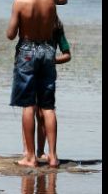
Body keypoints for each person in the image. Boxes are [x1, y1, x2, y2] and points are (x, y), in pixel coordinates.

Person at [6, 0, 68, 168]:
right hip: (48, 51)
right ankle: (53, 156)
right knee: (48, 105)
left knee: (28, 104)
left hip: (27, 52)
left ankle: (30, 156)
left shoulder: (19, 2)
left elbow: (11, 34)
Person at [33, 16, 71, 162]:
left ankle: (38, 152)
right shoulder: (55, 26)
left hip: (36, 71)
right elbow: (67, 55)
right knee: (44, 111)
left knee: (37, 112)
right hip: (47, 73)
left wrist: (51, 60)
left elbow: (67, 55)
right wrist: (52, 60)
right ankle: (47, 153)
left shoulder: (51, 27)